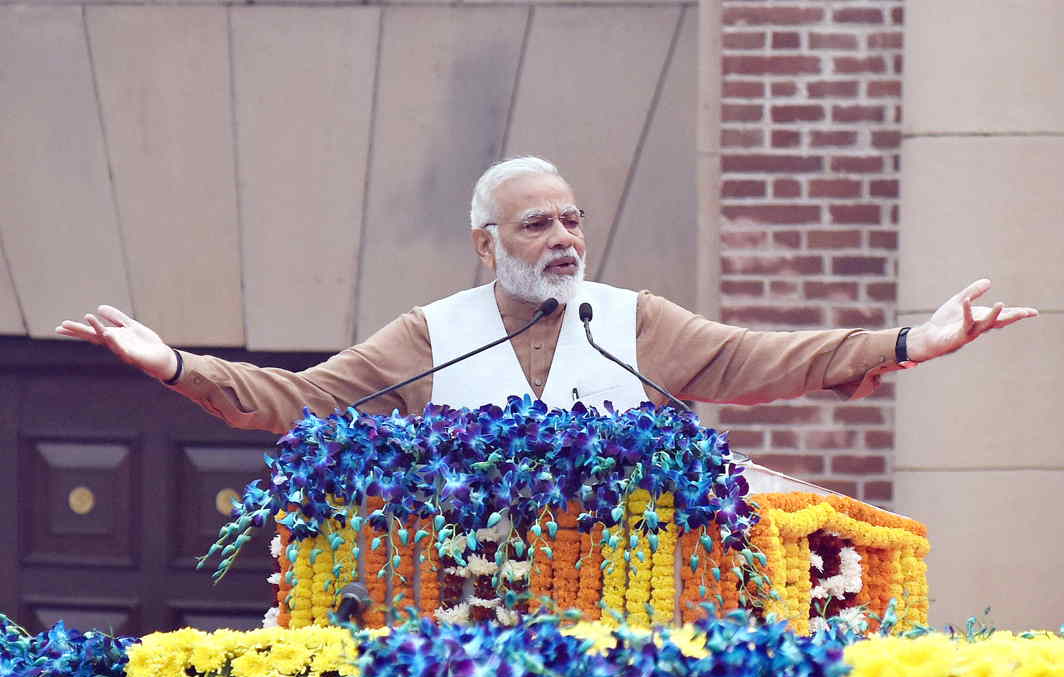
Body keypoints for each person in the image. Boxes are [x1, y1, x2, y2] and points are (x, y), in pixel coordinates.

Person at [57, 157, 1038, 435]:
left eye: (571, 219)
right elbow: (302, 402)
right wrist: (176, 366)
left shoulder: (634, 323)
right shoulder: (428, 335)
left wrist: (911, 341)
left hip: (623, 622)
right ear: (486, 243)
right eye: (537, 224)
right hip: (462, 632)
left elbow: (768, 358)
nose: (564, 237)